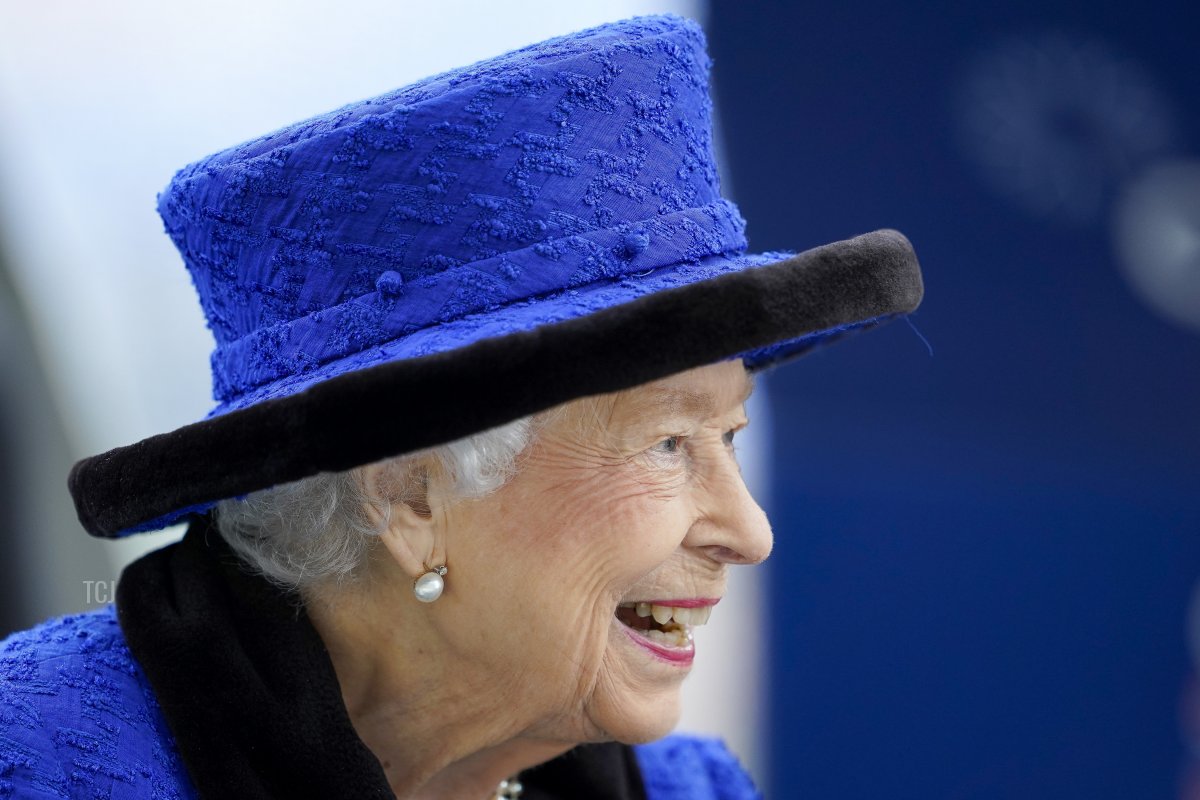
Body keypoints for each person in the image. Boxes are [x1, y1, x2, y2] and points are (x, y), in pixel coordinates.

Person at [0, 13, 922, 800]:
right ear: (411, 498)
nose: (750, 530)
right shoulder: (38, 762)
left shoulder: (689, 789)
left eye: (729, 434)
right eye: (669, 444)